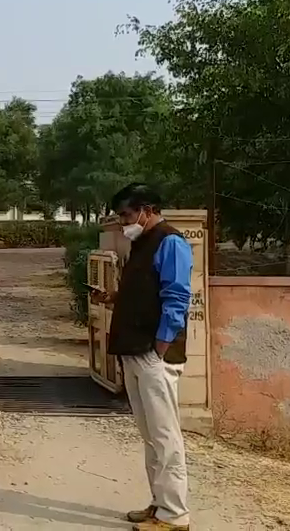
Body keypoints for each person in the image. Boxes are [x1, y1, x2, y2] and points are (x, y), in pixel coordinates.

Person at [106, 183, 193, 531]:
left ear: (147, 209)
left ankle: (175, 514)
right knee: (151, 435)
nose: (123, 222)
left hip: (154, 354)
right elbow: (148, 291)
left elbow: (176, 297)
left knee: (165, 436)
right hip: (135, 350)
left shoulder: (170, 242)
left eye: (127, 214)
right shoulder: (141, 243)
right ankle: (160, 505)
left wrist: (160, 346)